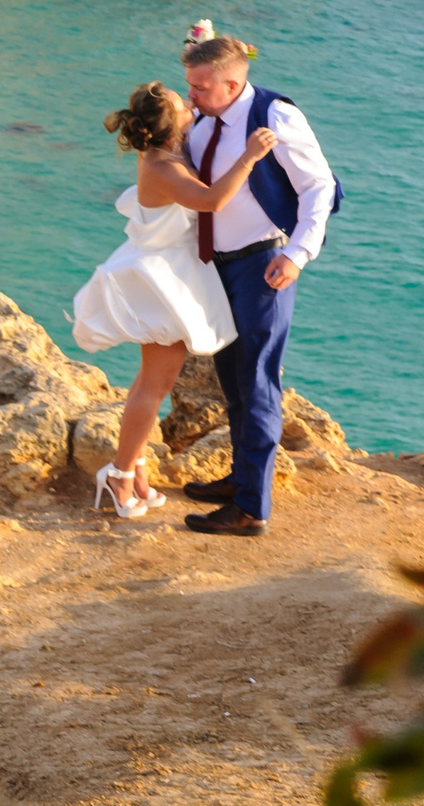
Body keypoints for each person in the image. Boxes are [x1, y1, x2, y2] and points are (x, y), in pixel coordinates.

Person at [68, 80, 277, 519]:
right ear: (171, 126)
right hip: (163, 281)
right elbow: (212, 200)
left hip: (167, 270)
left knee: (151, 384)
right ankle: (120, 474)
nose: (191, 105)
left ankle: (135, 468)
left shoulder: (163, 151)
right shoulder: (165, 167)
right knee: (154, 385)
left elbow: (201, 110)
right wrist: (250, 155)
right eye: (185, 105)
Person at [175, 21, 338, 538]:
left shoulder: (275, 117)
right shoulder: (206, 112)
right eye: (191, 85)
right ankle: (242, 480)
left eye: (200, 86)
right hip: (214, 266)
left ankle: (251, 509)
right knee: (233, 384)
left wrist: (297, 255)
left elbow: (320, 188)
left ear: (231, 84)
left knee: (259, 383)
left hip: (262, 265)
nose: (191, 94)